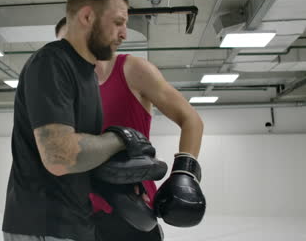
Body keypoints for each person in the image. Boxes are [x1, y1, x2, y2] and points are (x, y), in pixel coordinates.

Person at [2, 0, 148, 241]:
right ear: (87, 16)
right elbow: (60, 157)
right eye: (118, 22)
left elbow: (79, 161)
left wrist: (120, 181)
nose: (125, 33)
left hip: (75, 222)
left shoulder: (87, 75)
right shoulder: (52, 63)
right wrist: (120, 138)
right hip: (43, 226)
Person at [55, 14, 204, 240]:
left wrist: (184, 173)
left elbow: (191, 120)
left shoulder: (133, 70)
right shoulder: (65, 91)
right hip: (80, 213)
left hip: (132, 210)